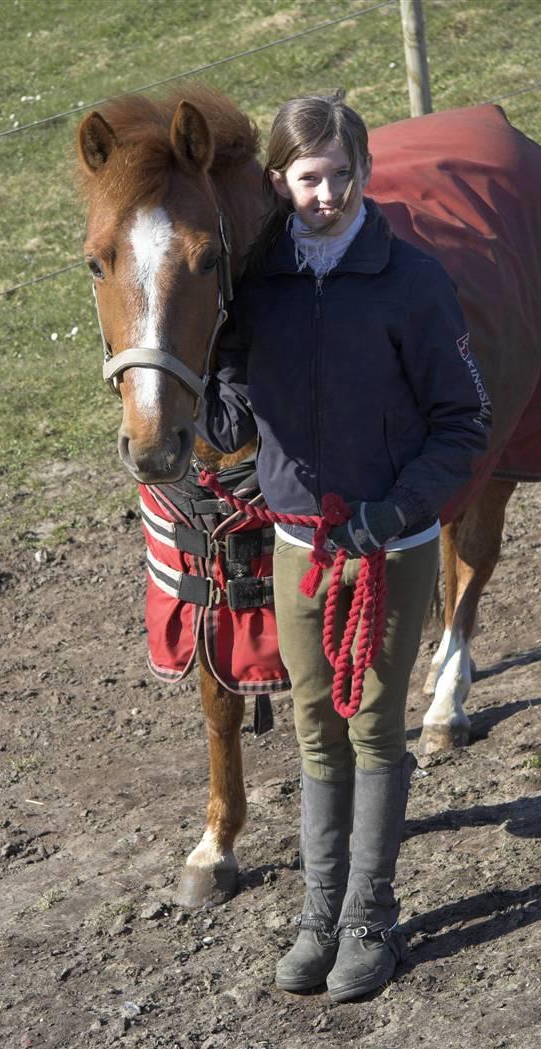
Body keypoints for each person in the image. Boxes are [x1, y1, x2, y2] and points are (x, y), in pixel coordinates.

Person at [199, 92, 492, 1002]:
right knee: (313, 728)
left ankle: (372, 914)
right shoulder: (262, 288)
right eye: (306, 178)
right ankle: (317, 914)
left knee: (373, 724)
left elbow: (464, 421)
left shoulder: (412, 280)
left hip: (390, 548)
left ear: (360, 171)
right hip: (297, 547)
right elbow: (242, 399)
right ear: (280, 182)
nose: (324, 195)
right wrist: (194, 398)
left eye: (338, 175)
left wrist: (394, 508)